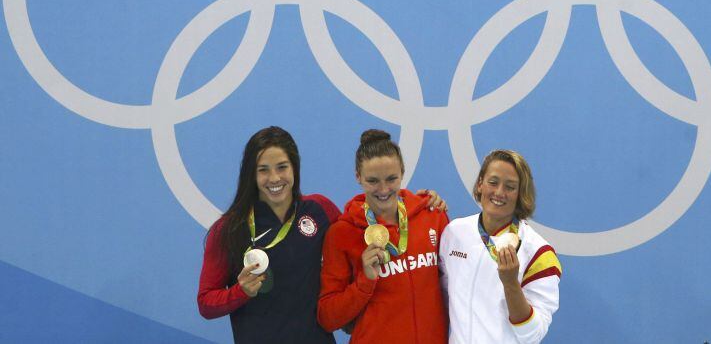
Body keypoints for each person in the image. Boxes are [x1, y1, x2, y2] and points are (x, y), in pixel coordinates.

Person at [197, 126, 444, 343]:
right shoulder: (229, 230)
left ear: (294, 167)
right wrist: (239, 292)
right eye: (263, 170)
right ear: (251, 174)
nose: (275, 178)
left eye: (282, 167)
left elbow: (362, 224)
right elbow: (206, 303)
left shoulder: (319, 210)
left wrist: (418, 204)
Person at [317, 129, 450, 344]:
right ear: (358, 176)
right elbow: (328, 318)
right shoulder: (341, 233)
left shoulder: (432, 216)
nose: (384, 189)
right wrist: (364, 282)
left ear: (403, 172)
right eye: (372, 181)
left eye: (391, 179)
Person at [439, 150, 562, 344]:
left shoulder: (539, 253)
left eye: (510, 187)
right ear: (480, 184)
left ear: (521, 194)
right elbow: (443, 300)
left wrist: (510, 283)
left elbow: (532, 334)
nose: (499, 193)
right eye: (493, 182)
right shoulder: (454, 233)